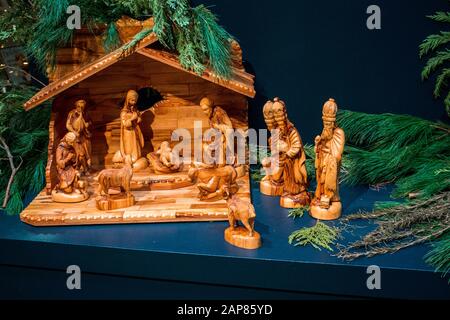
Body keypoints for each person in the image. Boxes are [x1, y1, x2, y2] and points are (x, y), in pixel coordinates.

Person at [66, 99, 92, 173]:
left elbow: (90, 122)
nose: (80, 108)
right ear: (76, 106)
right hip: (76, 136)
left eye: (82, 107)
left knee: (88, 152)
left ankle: (87, 167)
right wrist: (74, 132)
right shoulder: (72, 113)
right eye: (79, 106)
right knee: (80, 153)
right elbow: (68, 125)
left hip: (85, 135)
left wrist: (88, 124)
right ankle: (80, 168)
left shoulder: (86, 113)